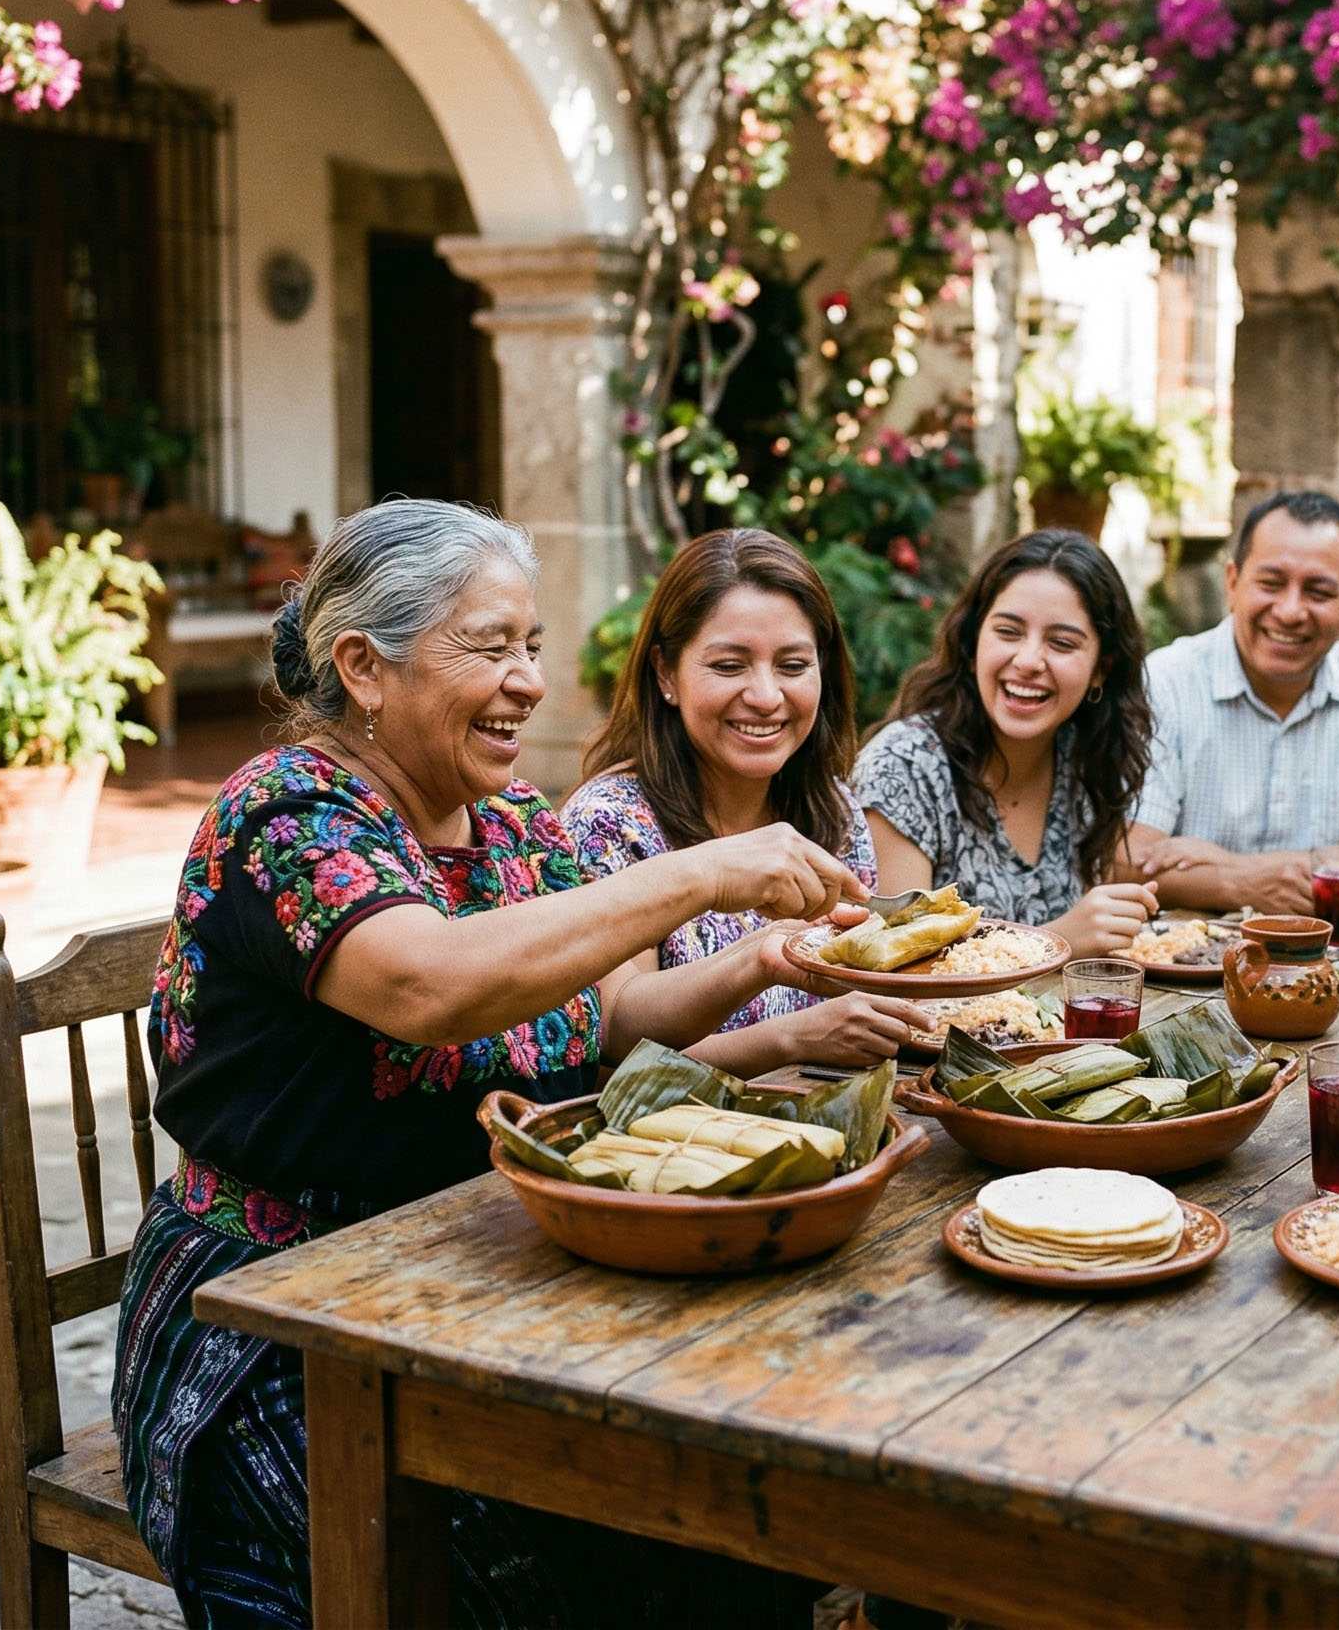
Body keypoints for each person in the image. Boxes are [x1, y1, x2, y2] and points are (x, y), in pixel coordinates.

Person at [113, 501, 861, 1628]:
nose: (526, 681)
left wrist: (767, 953)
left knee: (729, 1509)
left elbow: (618, 1020)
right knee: (560, 1574)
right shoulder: (287, 812)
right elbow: (432, 988)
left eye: (532, 647)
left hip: (483, 1283)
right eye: (489, 646)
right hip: (283, 1322)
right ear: (363, 666)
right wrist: (700, 875)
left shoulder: (510, 824)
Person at [564, 529, 933, 1065]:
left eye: (792, 666)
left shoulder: (833, 809)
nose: (765, 697)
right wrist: (789, 1040)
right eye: (729, 666)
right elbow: (616, 1045)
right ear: (666, 673)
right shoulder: (609, 823)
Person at [853, 529, 1159, 956]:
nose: (1029, 661)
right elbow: (893, 967)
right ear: (974, 642)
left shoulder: (1085, 760)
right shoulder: (903, 767)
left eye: (1062, 643)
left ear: (1101, 670)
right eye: (1009, 632)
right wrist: (1056, 943)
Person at [1127, 490, 1339, 915]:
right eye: (1270, 584)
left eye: (1319, 592)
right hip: (1181, 967)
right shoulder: (1165, 681)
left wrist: (1242, 867)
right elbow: (1128, 860)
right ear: (1233, 584)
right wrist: (1238, 885)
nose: (1290, 611)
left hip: (1328, 962)